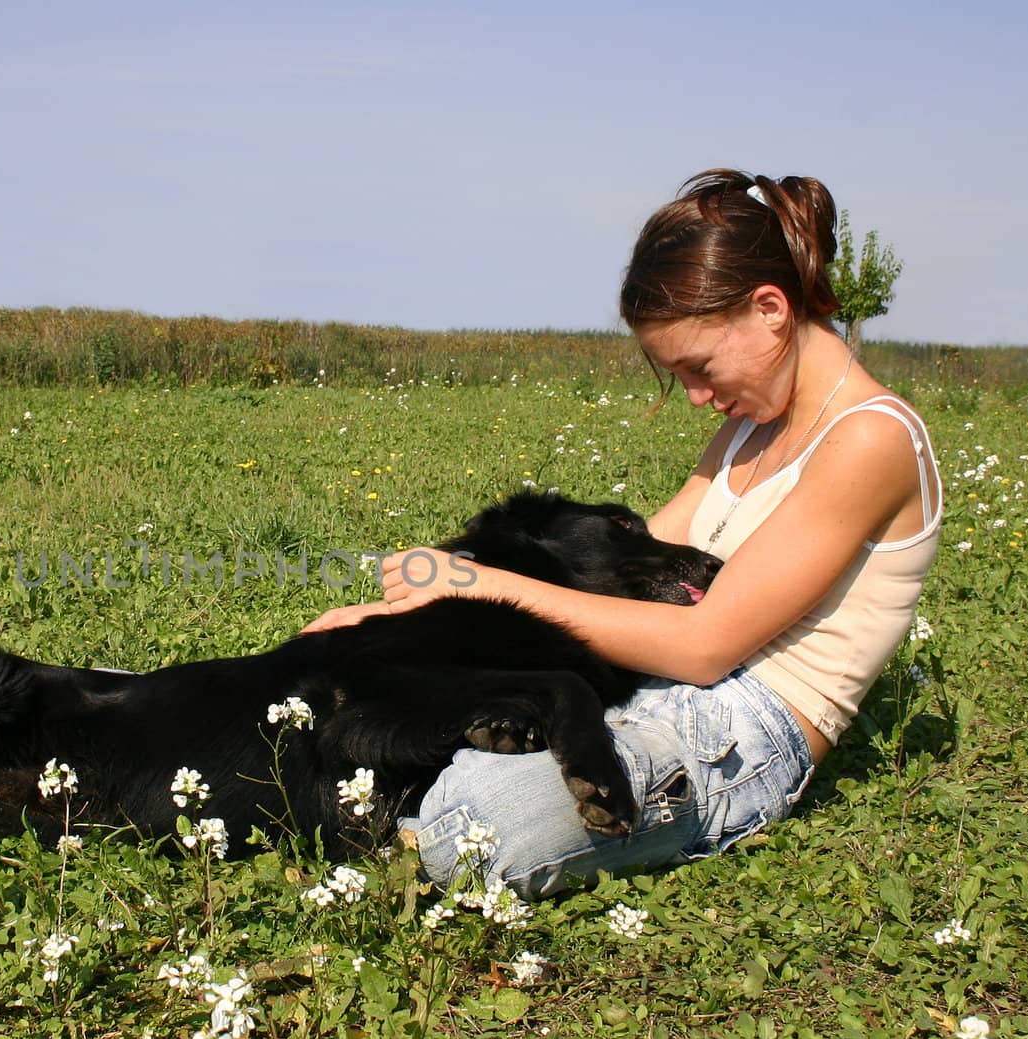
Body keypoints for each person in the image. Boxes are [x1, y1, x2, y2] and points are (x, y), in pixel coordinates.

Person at [302, 169, 943, 899]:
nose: (700, 398)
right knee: (352, 683)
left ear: (770, 308)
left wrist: (477, 583)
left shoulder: (869, 439)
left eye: (698, 369)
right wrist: (395, 616)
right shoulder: (751, 423)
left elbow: (705, 647)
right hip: (641, 681)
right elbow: (627, 569)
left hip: (743, 728)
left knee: (478, 818)